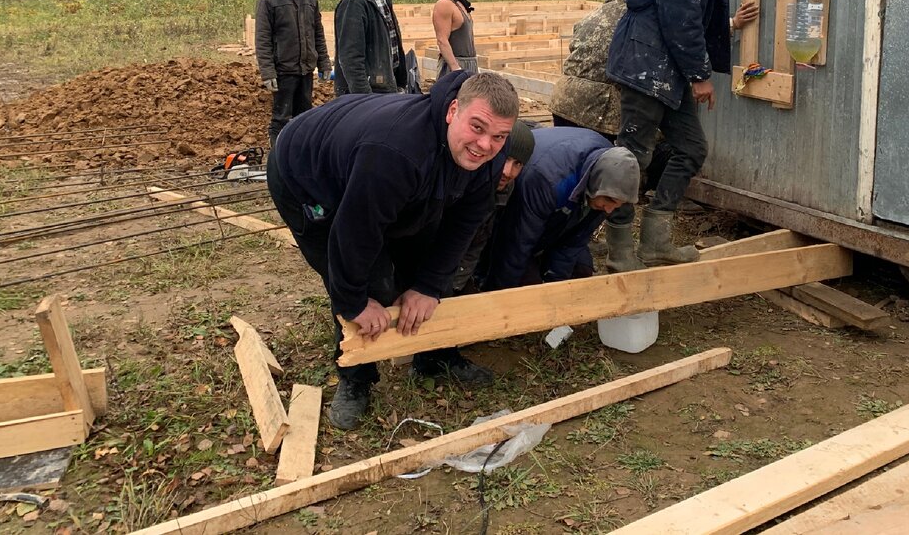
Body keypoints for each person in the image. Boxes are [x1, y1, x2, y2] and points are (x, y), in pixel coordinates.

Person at [266, 70, 520, 430]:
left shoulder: (489, 153)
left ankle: (435, 356)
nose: (485, 145)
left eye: (498, 136)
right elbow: (354, 232)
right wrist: (353, 300)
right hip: (306, 178)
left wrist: (429, 285)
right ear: (452, 111)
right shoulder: (394, 151)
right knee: (375, 287)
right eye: (477, 128)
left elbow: (465, 222)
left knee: (426, 271)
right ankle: (355, 378)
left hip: (388, 177)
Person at [604, 0, 762, 271]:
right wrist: (700, 75)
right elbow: (681, 15)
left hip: (667, 65)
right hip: (646, 63)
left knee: (690, 148)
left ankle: (656, 240)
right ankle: (619, 250)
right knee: (631, 158)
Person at [410, 119, 536, 385]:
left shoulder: (505, 187)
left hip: (457, 258)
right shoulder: (463, 178)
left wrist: (459, 281)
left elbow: (478, 237)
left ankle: (442, 355)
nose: (508, 171)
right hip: (426, 255)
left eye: (518, 164)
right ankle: (420, 361)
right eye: (506, 159)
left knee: (466, 315)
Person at [480, 127, 639, 291]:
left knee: (580, 273)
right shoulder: (548, 180)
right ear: (595, 182)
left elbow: (575, 240)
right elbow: (517, 244)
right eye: (609, 201)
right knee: (528, 288)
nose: (609, 210)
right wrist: (501, 296)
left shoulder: (607, 186)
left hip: (558, 215)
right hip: (515, 213)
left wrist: (556, 287)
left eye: (617, 205)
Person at [254, 0, 331, 147]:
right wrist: (267, 72)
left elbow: (318, 35)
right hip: (283, 71)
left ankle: (299, 154)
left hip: (305, 69)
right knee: (280, 118)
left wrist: (323, 63)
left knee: (304, 116)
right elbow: (262, 39)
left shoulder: (310, 0)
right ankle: (278, 157)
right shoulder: (268, 0)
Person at [548, 0, 629, 136]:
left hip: (562, 100)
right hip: (598, 111)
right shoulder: (632, 18)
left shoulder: (589, 18)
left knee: (568, 156)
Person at [334, 0, 406, 95]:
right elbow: (350, 59)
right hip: (370, 94)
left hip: (385, 89)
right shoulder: (355, 2)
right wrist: (364, 100)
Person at [433, 0, 488, 79]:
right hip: (455, 68)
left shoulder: (461, 5)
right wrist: (456, 69)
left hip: (468, 66)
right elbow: (442, 40)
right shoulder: (445, 4)